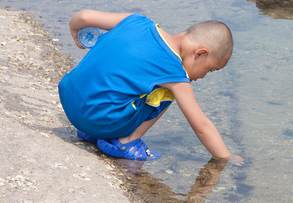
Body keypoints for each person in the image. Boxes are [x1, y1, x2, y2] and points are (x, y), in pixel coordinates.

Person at [58, 10, 243, 166]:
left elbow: (82, 17)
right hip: (98, 119)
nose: (202, 76)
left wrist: (75, 33)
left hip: (69, 101)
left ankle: (91, 133)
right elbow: (202, 126)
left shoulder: (137, 21)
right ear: (200, 53)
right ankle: (126, 142)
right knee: (170, 89)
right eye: (209, 70)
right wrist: (225, 158)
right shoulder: (174, 72)